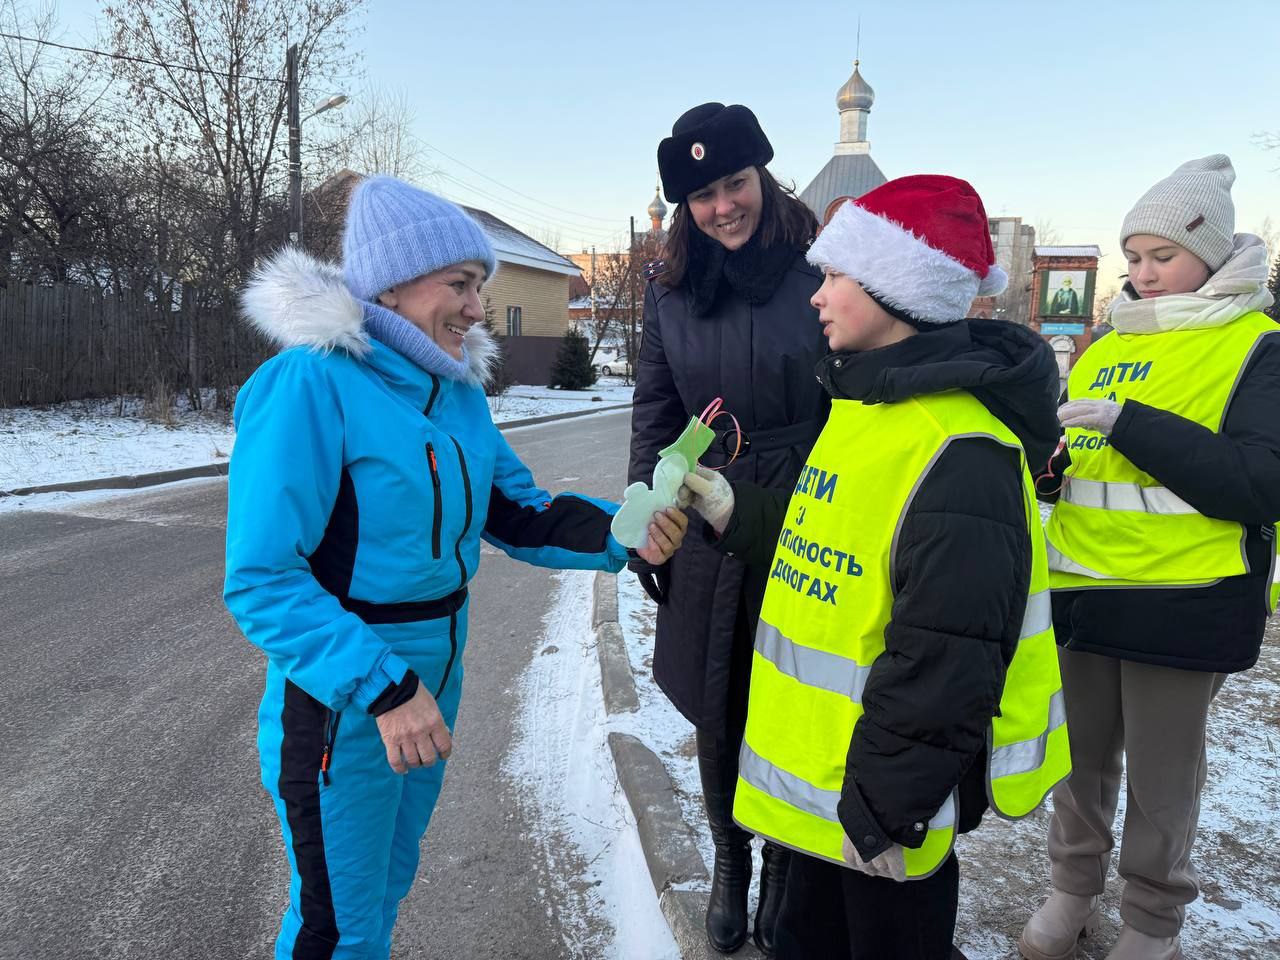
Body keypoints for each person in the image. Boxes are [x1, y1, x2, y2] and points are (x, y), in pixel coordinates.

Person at [225, 177, 687, 960]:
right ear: (394, 285)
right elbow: (263, 580)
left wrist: (626, 535)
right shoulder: (311, 384)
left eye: (479, 289)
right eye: (462, 286)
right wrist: (385, 688)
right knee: (338, 923)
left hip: (433, 691)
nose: (477, 309)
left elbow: (517, 511)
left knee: (383, 892)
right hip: (352, 708)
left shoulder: (454, 394)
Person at [679, 175, 1072, 960]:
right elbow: (822, 541)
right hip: (831, 802)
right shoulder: (863, 409)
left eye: (834, 276)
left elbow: (948, 659)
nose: (815, 297)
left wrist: (882, 812)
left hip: (880, 817)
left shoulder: (961, 451)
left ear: (897, 288)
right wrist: (728, 508)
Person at [1019, 155, 1280, 960]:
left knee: (1165, 782)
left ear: (1210, 248)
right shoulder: (1107, 342)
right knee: (1080, 764)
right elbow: (1078, 464)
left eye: (1161, 255)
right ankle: (1071, 890)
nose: (1143, 273)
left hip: (1184, 597)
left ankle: (1151, 924)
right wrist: (1051, 468)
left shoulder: (1257, 345)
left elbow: (1258, 482)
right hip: (1083, 589)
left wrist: (1129, 423)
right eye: (1132, 257)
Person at [628, 101, 829, 955]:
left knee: (793, 690)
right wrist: (645, 513)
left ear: (764, 178)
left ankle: (785, 860)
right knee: (720, 700)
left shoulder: (820, 266)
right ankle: (729, 856)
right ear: (686, 206)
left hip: (809, 505)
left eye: (735, 183)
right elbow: (655, 408)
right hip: (704, 508)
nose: (723, 206)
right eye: (703, 194)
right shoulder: (670, 290)